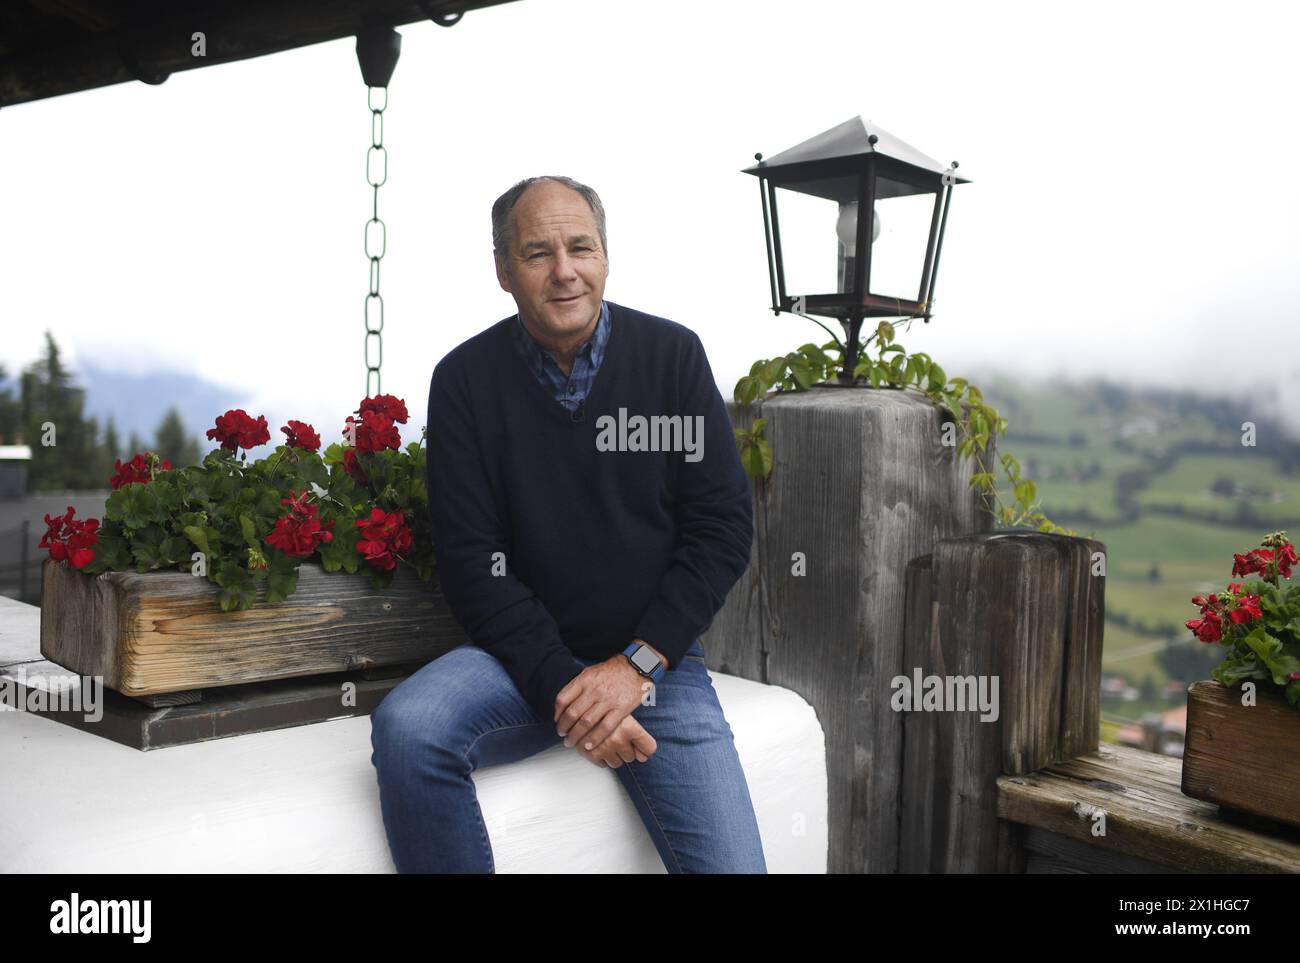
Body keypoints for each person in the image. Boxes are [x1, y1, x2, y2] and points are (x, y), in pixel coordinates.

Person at [369, 175, 766, 873]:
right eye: (536, 252)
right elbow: (472, 561)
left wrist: (633, 669)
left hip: (656, 668)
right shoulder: (464, 382)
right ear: (502, 271)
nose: (564, 271)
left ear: (606, 256)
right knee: (410, 728)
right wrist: (569, 687)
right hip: (521, 666)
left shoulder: (671, 358)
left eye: (580, 247)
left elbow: (722, 526)